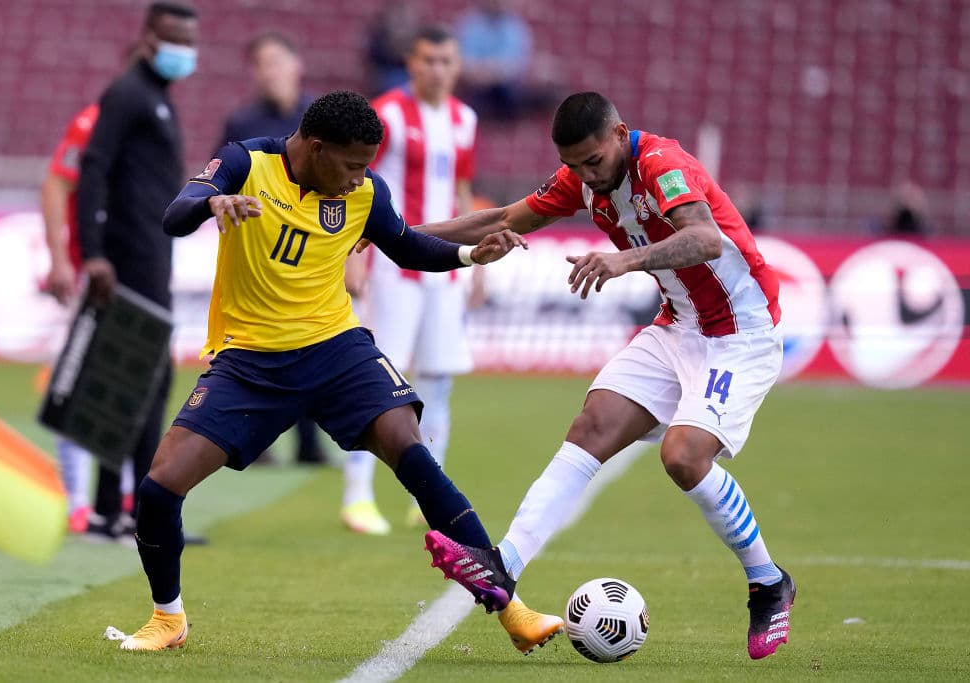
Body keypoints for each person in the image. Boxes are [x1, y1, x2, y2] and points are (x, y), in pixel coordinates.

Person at [114, 90, 527, 651]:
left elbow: (404, 245)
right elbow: (176, 213)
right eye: (354, 164)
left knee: (409, 446)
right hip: (249, 361)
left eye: (368, 166)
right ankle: (168, 619)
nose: (361, 179)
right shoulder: (245, 162)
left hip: (336, 349)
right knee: (161, 486)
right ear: (315, 146)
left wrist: (467, 256)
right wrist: (212, 204)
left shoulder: (363, 192)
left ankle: (512, 608)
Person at [412, 92, 796, 660]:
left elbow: (705, 238)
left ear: (619, 133)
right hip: (678, 327)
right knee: (591, 427)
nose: (584, 176)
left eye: (592, 162)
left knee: (683, 456)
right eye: (573, 165)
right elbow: (501, 218)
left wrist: (624, 260)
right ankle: (504, 565)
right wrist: (397, 233)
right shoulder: (582, 178)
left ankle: (768, 583)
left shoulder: (662, 165)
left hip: (739, 335)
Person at [340, 24, 478, 536]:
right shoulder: (388, 114)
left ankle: (429, 498)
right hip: (393, 265)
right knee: (379, 378)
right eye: (428, 60)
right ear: (411, 63)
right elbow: (355, 183)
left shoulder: (466, 119)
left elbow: (463, 188)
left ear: (456, 65)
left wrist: (475, 264)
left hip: (444, 269)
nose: (437, 70)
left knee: (438, 382)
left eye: (446, 61)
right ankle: (357, 496)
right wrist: (354, 256)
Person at [76, 1, 199, 542]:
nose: (183, 51)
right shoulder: (128, 93)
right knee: (141, 377)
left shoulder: (157, 97)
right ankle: (126, 511)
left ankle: (115, 509)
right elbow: (93, 167)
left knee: (134, 379)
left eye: (190, 41)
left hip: (151, 252)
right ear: (149, 38)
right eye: (175, 39)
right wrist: (94, 252)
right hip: (130, 255)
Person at [217, 31, 326, 466]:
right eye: (263, 64)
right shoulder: (241, 123)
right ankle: (255, 440)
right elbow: (219, 180)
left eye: (278, 61)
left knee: (309, 344)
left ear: (297, 64)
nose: (272, 72)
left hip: (313, 251)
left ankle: (308, 443)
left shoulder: (321, 116)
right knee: (253, 348)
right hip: (256, 254)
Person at [40, 102, 137, 536]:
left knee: (130, 384)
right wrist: (59, 258)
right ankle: (77, 499)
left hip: (139, 275)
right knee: (76, 383)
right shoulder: (92, 121)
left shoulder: (155, 119)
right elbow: (56, 185)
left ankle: (127, 491)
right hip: (91, 275)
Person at [454, 0, 532, 118]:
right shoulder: (470, 23)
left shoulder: (515, 27)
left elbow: (515, 65)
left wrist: (490, 72)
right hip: (475, 86)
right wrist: (483, 73)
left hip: (505, 88)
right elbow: (463, 59)